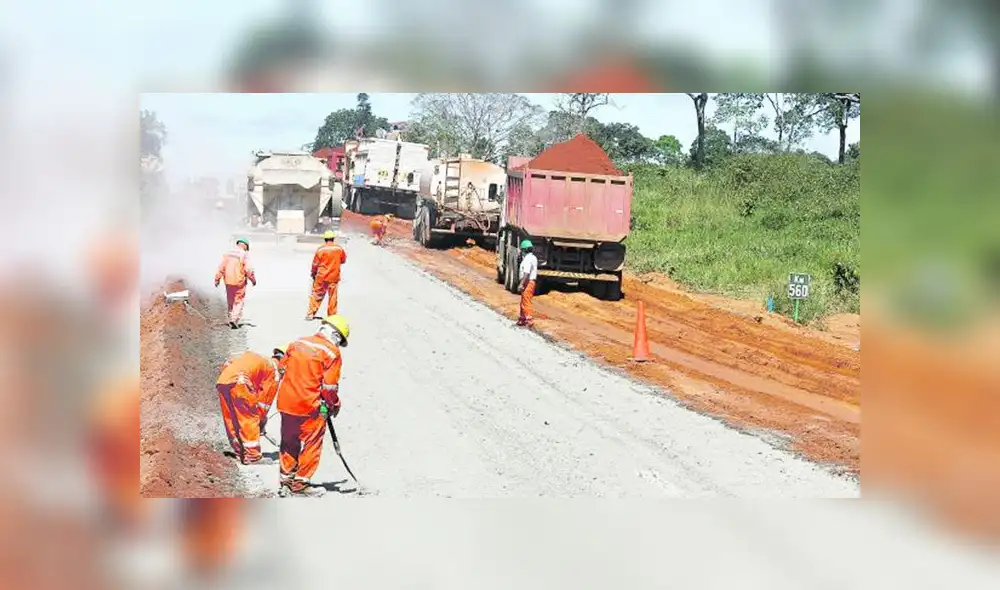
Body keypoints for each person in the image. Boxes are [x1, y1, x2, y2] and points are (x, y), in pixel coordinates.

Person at [276, 315, 350, 497]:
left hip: (286, 402)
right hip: (310, 406)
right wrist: (333, 404)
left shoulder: (297, 343)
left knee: (288, 441)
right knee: (312, 442)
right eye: (339, 340)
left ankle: (286, 478)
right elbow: (329, 387)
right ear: (335, 334)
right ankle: (301, 483)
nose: (338, 344)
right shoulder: (332, 352)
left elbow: (282, 368)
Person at [215, 345, 288, 464]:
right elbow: (264, 403)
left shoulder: (260, 359)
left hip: (224, 380)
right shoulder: (274, 370)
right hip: (240, 382)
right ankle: (252, 455)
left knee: (232, 418)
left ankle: (240, 451)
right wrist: (261, 421)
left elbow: (229, 363)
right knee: (249, 417)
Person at [214, 238, 256, 329]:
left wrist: (217, 279)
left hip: (228, 281)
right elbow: (248, 270)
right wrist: (253, 280)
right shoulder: (244, 255)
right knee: (239, 300)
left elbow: (221, 267)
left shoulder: (228, 253)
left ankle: (230, 318)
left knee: (230, 299)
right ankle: (234, 319)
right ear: (245, 246)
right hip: (239, 281)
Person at [307, 230, 348, 320]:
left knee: (317, 294)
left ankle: (310, 314)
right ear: (333, 238)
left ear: (325, 239)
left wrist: (313, 273)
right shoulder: (339, 248)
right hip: (334, 276)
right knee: (332, 297)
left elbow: (315, 264)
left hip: (321, 276)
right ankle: (332, 316)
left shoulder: (321, 249)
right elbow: (343, 260)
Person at [517, 239, 538, 327]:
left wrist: (521, 284)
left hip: (528, 282)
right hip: (530, 282)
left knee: (526, 301)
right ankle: (522, 318)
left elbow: (526, 273)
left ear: (524, 250)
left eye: (522, 250)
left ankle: (529, 319)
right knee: (523, 300)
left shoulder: (528, 259)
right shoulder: (533, 257)